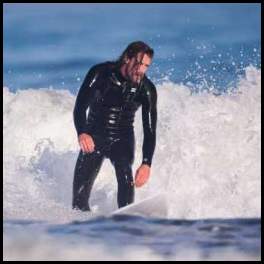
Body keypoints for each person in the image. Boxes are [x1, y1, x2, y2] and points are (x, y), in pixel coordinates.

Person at [72, 41, 157, 211]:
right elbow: (80, 107)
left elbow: (150, 130)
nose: (141, 70)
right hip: (93, 136)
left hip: (122, 138)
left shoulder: (146, 89)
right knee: (78, 199)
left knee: (125, 175)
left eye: (146, 66)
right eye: (139, 63)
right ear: (127, 58)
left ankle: (126, 218)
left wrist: (146, 163)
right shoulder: (100, 73)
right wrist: (82, 133)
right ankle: (85, 228)